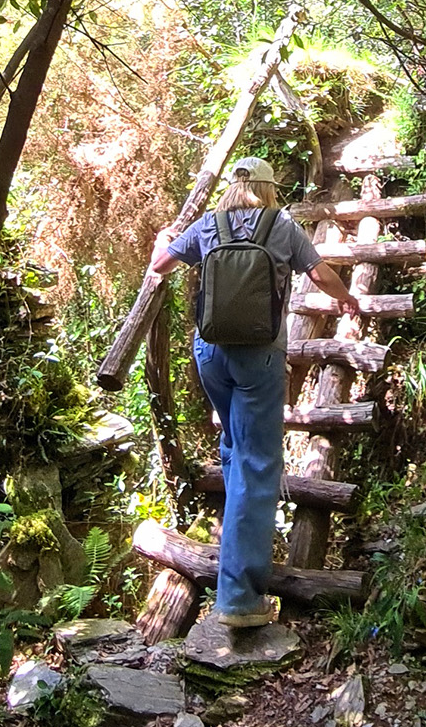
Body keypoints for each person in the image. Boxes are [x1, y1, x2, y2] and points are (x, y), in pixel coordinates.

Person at [148, 156, 361, 628]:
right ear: (267, 189)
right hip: (258, 357)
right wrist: (346, 298)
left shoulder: (209, 224)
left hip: (211, 353)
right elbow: (320, 274)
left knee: (234, 447)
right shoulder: (280, 226)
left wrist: (163, 240)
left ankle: (233, 557)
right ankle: (240, 598)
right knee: (258, 464)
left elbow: (160, 265)